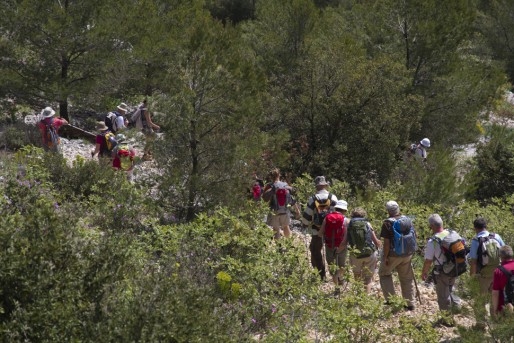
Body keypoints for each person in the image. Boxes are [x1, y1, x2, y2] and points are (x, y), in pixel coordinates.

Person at [379, 200, 416, 310]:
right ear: (398, 209)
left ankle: (391, 301)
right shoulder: (407, 220)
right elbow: (415, 235)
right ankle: (409, 303)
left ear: (388, 211)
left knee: (384, 274)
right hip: (407, 254)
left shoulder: (387, 223)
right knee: (406, 278)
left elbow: (386, 243)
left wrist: (385, 257)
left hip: (393, 255)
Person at [421, 214, 462, 311]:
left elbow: (428, 261)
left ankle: (447, 319)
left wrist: (424, 272)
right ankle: (457, 311)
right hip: (456, 267)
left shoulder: (433, 241)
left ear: (431, 226)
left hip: (442, 271)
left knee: (443, 295)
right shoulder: (452, 233)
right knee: (452, 289)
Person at [301, 176, 338, 281]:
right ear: (325, 185)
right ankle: (336, 276)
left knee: (315, 250)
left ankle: (320, 275)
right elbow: (338, 214)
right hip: (331, 230)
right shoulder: (333, 197)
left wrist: (304, 224)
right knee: (332, 252)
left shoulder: (313, 198)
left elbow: (307, 215)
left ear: (316, 186)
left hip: (316, 230)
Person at [342, 207, 381, 293]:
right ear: (363, 215)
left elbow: (344, 241)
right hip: (369, 253)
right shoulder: (367, 223)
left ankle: (359, 297)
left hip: (355, 254)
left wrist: (338, 250)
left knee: (357, 276)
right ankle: (366, 299)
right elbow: (375, 241)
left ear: (352, 215)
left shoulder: (349, 225)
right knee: (368, 279)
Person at [469, 217, 505, 294]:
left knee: (483, 299)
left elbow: (473, 261)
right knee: (496, 298)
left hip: (484, 274)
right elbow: (505, 253)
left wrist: (472, 277)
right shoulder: (496, 236)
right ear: (486, 226)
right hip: (497, 272)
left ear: (475, 228)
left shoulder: (476, 240)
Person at [318, 200, 348, 291]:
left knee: (332, 267)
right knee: (341, 265)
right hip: (341, 246)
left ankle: (337, 288)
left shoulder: (327, 218)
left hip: (329, 245)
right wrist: (342, 245)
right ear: (345, 210)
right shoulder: (345, 220)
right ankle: (341, 278)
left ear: (335, 208)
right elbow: (346, 235)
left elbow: (320, 233)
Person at [262, 168, 295, 239]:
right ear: (279, 175)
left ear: (271, 176)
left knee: (276, 229)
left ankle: (279, 248)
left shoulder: (269, 186)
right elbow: (291, 197)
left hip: (274, 211)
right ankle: (288, 243)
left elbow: (264, 199)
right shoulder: (285, 185)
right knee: (286, 227)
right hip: (285, 210)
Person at [492, 245, 514, 317]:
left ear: (500, 256)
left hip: (505, 306)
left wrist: (495, 310)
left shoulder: (498, 271)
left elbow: (495, 293)